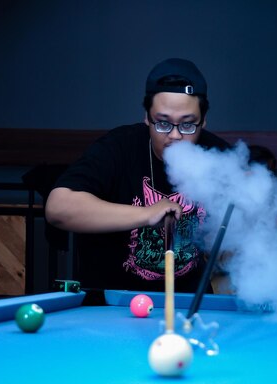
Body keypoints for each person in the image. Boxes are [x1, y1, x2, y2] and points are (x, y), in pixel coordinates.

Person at [45, 58, 229, 293]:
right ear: (147, 117)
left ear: (203, 120)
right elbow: (58, 208)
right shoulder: (118, 147)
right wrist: (145, 214)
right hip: (111, 307)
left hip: (188, 308)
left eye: (187, 125)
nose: (174, 135)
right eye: (162, 123)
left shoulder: (219, 156)